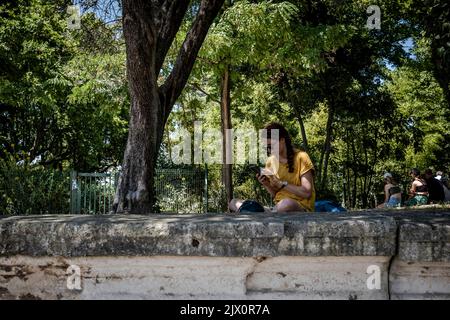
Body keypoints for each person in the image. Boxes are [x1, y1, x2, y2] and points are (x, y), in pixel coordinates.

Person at [229, 122, 315, 213]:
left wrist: (283, 184)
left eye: (271, 146)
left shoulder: (301, 157)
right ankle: (263, 212)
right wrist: (266, 184)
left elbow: (307, 193)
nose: (269, 150)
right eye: (267, 148)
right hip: (277, 207)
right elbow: (275, 194)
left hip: (299, 207)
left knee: (286, 204)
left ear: (282, 140)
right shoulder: (270, 161)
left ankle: (262, 212)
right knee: (233, 202)